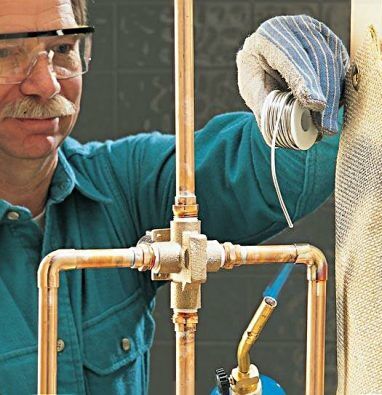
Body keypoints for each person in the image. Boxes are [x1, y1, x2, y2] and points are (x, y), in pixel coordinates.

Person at [0, 0, 347, 393]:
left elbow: (273, 172)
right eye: (6, 52)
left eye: (62, 50)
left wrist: (305, 97)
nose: (46, 84)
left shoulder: (123, 186)